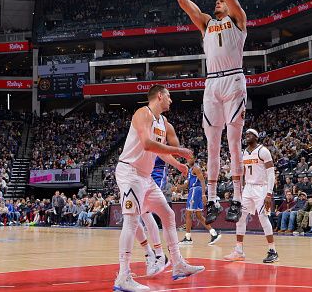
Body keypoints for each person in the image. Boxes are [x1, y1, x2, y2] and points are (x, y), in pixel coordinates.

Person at [173, 0, 247, 225]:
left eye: (220, 1)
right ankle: (214, 198)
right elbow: (182, 1)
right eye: (216, 1)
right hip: (212, 85)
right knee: (212, 144)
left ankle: (237, 198)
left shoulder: (238, 19)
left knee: (233, 140)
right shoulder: (205, 23)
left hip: (233, 80)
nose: (217, 2)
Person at [114, 85, 204, 291]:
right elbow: (147, 144)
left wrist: (178, 164)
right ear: (160, 96)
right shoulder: (142, 113)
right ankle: (123, 276)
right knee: (132, 220)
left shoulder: (164, 124)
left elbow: (160, 153)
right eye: (169, 96)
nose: (171, 100)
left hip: (145, 177)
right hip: (130, 173)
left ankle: (178, 264)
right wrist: (179, 150)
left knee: (168, 215)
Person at [223, 128, 279, 263]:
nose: (247, 136)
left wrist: (269, 193)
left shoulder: (263, 151)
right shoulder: (244, 153)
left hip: (261, 188)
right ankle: (239, 250)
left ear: (256, 137)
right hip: (248, 188)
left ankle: (273, 251)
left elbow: (271, 173)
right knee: (240, 218)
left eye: (250, 134)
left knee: (263, 218)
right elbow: (241, 173)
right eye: (246, 134)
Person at [178, 157, 221, 246]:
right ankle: (214, 233)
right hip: (193, 191)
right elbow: (187, 185)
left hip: (195, 191)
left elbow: (202, 180)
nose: (189, 160)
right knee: (199, 216)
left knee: (188, 213)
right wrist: (178, 187)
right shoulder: (190, 171)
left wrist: (203, 194)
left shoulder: (196, 168)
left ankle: (188, 238)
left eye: (191, 158)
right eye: (188, 158)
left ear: (194, 160)